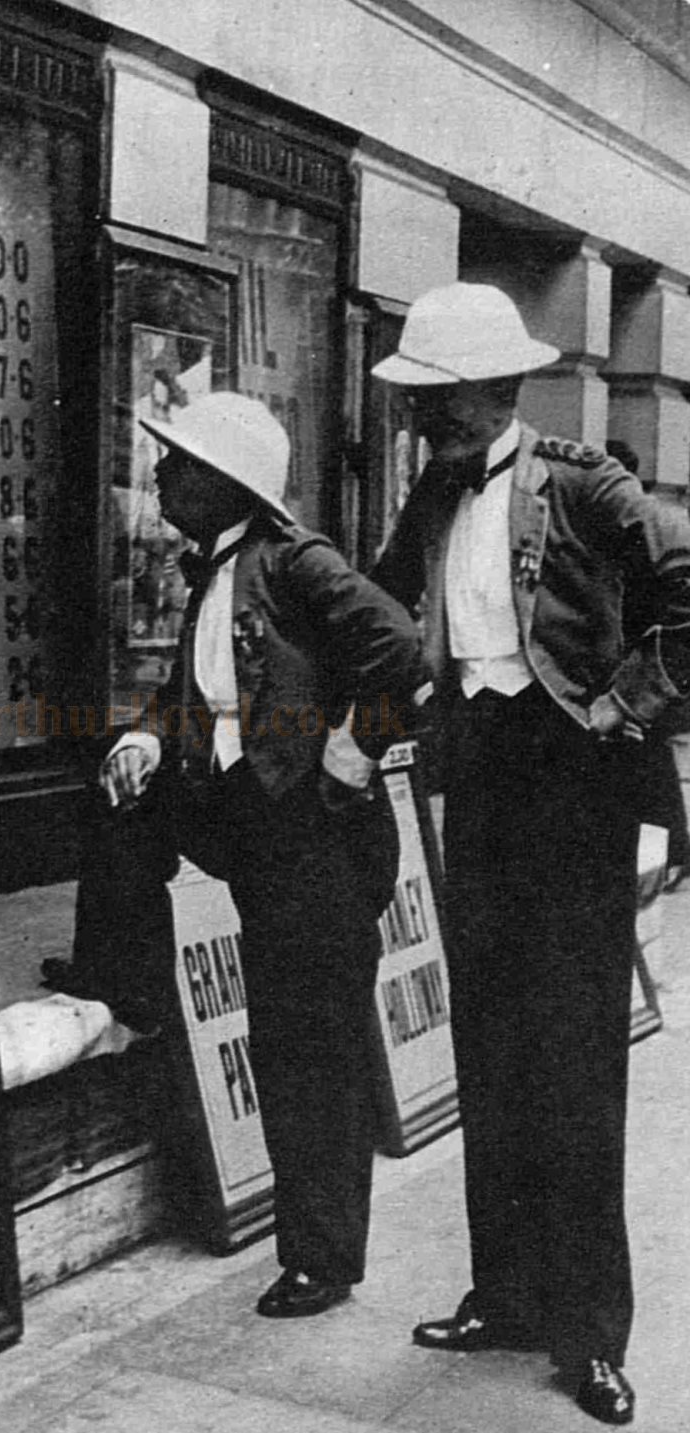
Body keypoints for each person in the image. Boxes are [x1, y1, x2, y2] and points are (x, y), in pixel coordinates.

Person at [370, 282, 690, 1426]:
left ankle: (590, 1332)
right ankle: (503, 1292)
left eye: (439, 402)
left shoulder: (586, 482)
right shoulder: (434, 488)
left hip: (578, 785)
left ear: (494, 391)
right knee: (492, 1041)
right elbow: (377, 599)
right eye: (420, 405)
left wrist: (623, 709)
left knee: (575, 1059)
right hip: (483, 780)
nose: (422, 422)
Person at [47, 392, 421, 1318]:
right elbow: (198, 695)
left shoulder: (295, 560)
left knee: (307, 1048)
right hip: (245, 818)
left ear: (223, 484)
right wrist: (144, 736)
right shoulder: (212, 571)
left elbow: (400, 646)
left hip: (316, 843)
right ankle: (124, 978)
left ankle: (321, 1260)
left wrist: (351, 747)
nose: (162, 476)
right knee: (112, 789)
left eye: (177, 464)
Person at [605, 439, 690, 891]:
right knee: (649, 762)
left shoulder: (637, 526)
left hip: (644, 669)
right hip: (643, 666)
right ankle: (672, 851)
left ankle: (674, 851)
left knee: (650, 760)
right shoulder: (641, 520)